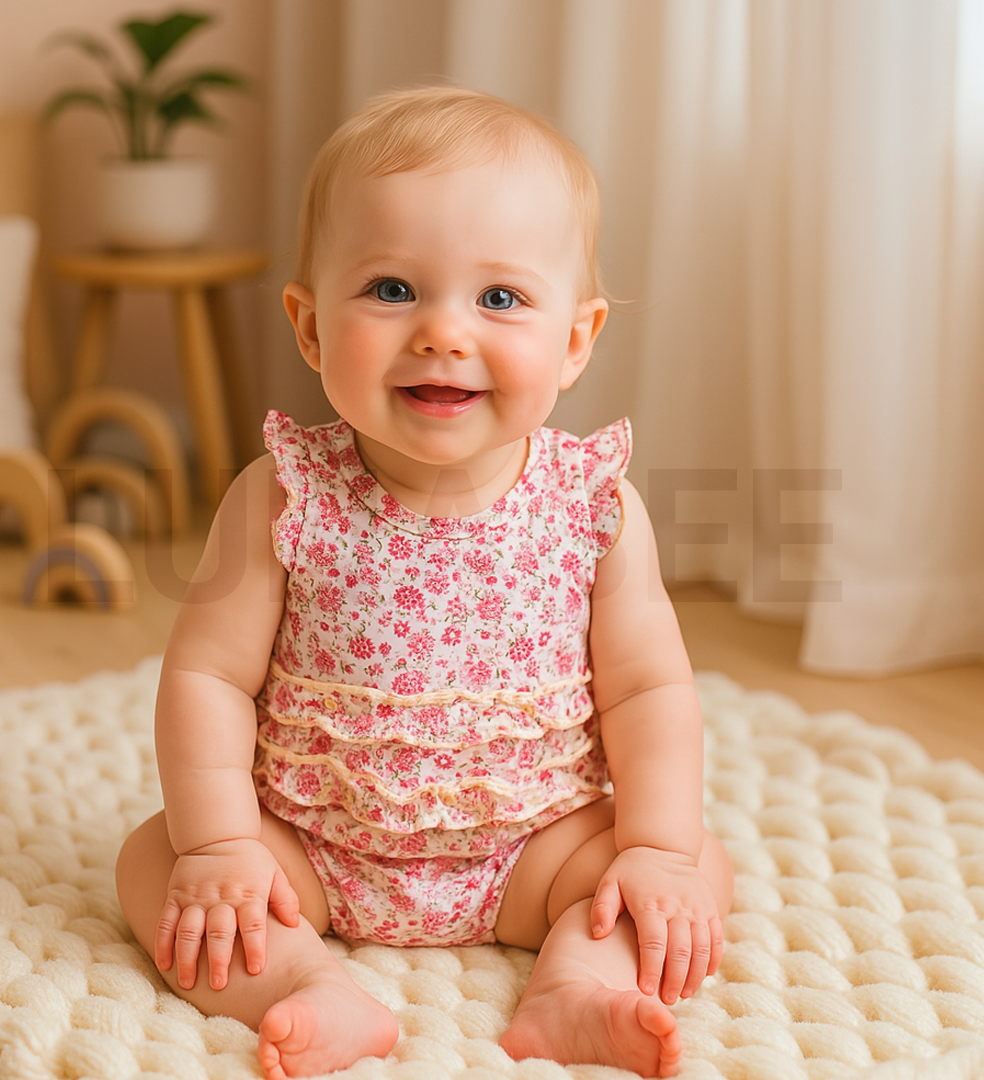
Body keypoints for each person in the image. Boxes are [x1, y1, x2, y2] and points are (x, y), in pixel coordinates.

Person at [116, 85, 733, 1080]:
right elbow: (207, 680)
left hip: (533, 847)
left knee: (694, 865)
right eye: (393, 289)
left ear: (575, 340)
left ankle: (577, 988)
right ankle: (303, 985)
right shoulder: (283, 495)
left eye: (499, 299)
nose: (443, 332)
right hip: (312, 845)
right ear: (311, 329)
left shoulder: (593, 507)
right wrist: (225, 845)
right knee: (156, 863)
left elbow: (649, 689)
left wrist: (656, 850)